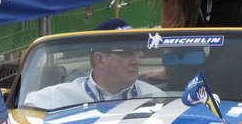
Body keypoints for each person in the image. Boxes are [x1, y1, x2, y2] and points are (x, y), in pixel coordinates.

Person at [23, 19, 163, 110]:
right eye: (126, 53)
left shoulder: (155, 96)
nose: (137, 61)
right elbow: (22, 113)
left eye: (138, 52)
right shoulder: (59, 96)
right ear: (100, 59)